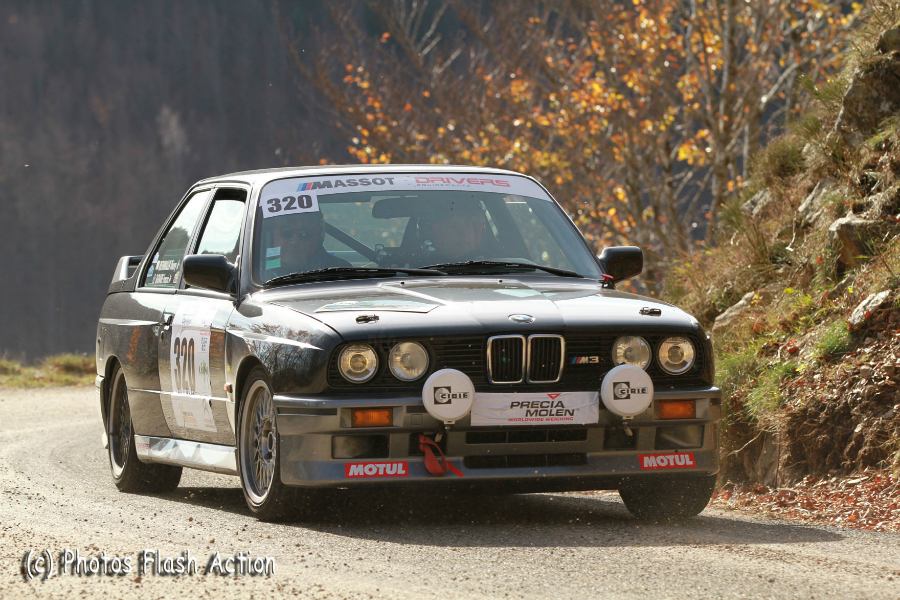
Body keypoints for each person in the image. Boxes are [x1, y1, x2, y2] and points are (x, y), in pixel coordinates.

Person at [263, 210, 350, 277]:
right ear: (272, 235)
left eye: (304, 234)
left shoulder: (340, 271)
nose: (294, 241)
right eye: (287, 232)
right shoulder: (254, 271)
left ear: (315, 240)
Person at [417, 200, 495, 264]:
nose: (465, 233)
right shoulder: (415, 269)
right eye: (455, 227)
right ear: (437, 232)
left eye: (470, 226)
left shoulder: (497, 262)